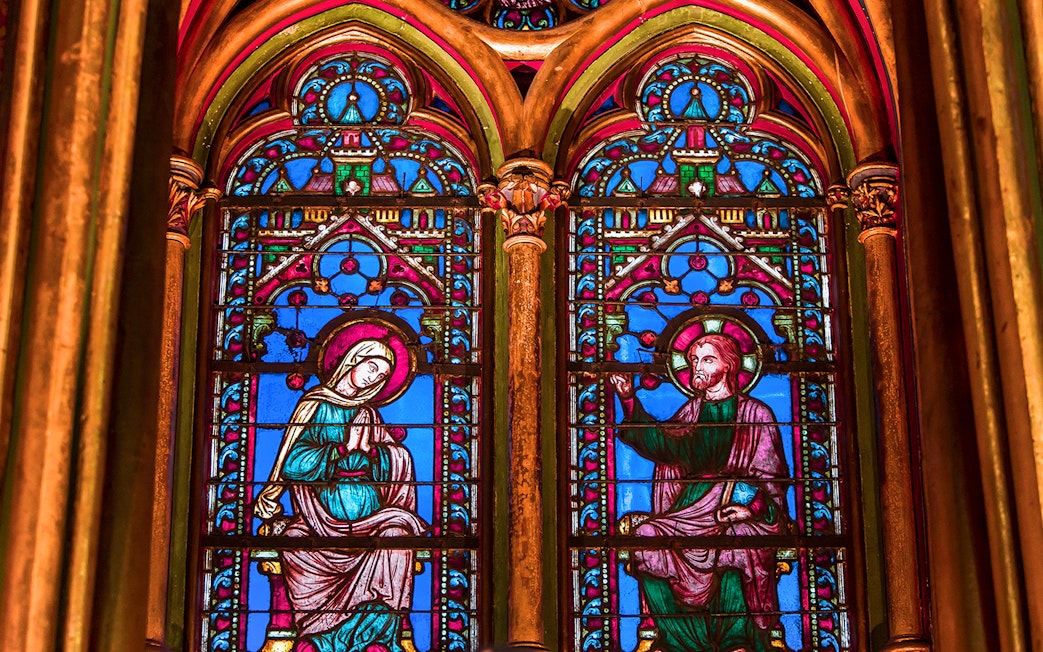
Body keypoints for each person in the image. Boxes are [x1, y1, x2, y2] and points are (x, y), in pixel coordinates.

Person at [608, 333, 789, 652]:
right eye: (693, 360)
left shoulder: (757, 415)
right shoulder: (691, 412)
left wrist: (750, 507)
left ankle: (736, 641)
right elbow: (662, 446)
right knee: (646, 538)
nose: (698, 367)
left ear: (729, 364)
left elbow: (771, 480)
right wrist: (628, 400)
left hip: (736, 507)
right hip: (689, 509)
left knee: (737, 542)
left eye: (707, 359)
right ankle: (678, 641)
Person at [254, 339, 427, 652]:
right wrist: (339, 450)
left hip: (373, 520)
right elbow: (292, 462)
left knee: (397, 537)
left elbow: (395, 458)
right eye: (372, 367)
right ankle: (318, 639)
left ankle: (375, 639)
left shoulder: (369, 415)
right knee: (296, 542)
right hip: (318, 519)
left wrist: (378, 455)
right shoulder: (315, 405)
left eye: (381, 377)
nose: (373, 379)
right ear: (352, 360)